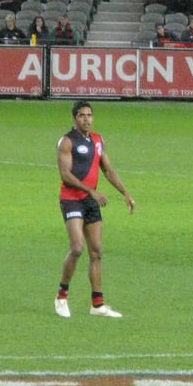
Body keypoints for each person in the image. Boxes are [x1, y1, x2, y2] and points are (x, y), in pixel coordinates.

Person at [55, 101, 136, 318]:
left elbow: (108, 170)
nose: (87, 119)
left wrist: (125, 193)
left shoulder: (98, 141)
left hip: (91, 201)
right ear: (74, 118)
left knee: (97, 251)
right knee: (77, 248)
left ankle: (97, 305)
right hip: (72, 200)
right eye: (82, 115)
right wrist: (90, 191)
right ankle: (62, 296)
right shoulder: (66, 142)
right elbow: (65, 175)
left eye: (90, 115)